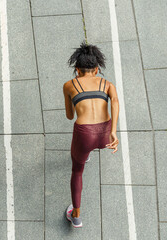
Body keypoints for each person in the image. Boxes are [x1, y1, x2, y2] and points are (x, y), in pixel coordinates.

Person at [63, 41, 120, 228]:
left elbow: (70, 116)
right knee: (91, 147)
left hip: (84, 135)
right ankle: (90, 151)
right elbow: (115, 102)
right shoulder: (107, 84)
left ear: (77, 70)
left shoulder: (69, 85)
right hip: (105, 134)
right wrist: (113, 132)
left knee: (77, 170)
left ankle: (76, 215)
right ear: (96, 69)